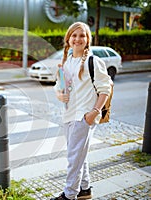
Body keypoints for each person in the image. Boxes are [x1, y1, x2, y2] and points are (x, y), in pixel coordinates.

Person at [51, 22, 112, 200]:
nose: (78, 39)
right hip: (69, 115)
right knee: (79, 155)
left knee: (73, 158)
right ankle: (85, 189)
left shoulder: (94, 62)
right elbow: (59, 86)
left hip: (84, 117)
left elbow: (105, 89)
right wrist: (59, 94)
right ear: (68, 39)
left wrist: (94, 112)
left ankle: (70, 195)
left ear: (87, 40)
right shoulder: (66, 62)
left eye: (82, 36)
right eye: (74, 35)